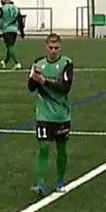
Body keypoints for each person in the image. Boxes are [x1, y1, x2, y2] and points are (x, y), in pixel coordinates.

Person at [28, 33, 74, 196]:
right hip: (44, 115)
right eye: (51, 48)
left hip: (61, 114)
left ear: (60, 48)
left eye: (56, 48)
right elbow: (31, 87)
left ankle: (60, 181)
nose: (53, 51)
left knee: (61, 149)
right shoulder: (38, 63)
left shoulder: (67, 63)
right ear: (45, 47)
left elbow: (65, 88)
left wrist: (44, 81)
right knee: (44, 148)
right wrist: (35, 77)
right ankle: (40, 183)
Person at [0, 0, 24, 70]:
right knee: (10, 46)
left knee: (10, 46)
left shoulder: (2, 8)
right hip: (14, 29)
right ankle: (5, 62)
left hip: (7, 29)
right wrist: (22, 31)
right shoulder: (16, 8)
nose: (1, 0)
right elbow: (20, 20)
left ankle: (17, 63)